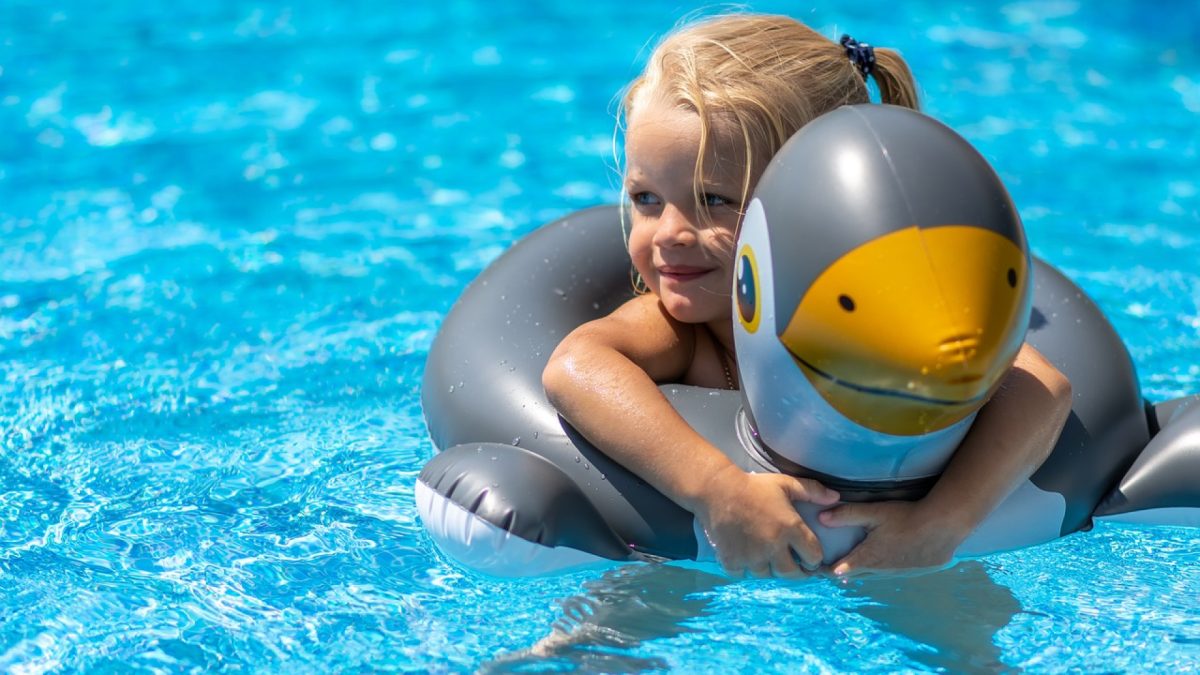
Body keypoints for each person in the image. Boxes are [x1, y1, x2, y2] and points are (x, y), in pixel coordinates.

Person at [541, 14, 1072, 579]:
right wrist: (718, 490)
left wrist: (943, 523)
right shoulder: (678, 329)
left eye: (715, 199)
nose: (668, 232)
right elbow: (575, 366)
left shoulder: (882, 326)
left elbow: (1043, 388)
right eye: (646, 198)